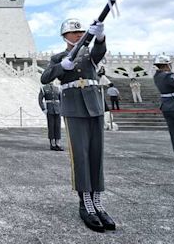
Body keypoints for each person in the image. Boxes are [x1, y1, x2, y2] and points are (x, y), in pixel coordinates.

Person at [41, 18, 115, 233]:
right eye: (73, 33)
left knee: (96, 154)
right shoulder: (58, 57)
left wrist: (100, 37)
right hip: (73, 108)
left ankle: (98, 201)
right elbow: (45, 78)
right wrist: (60, 67)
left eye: (81, 32)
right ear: (64, 36)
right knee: (80, 155)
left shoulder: (89, 54)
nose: (77, 35)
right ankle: (86, 203)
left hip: (95, 107)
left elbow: (100, 52)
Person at [38, 82, 63, 151]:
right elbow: (40, 100)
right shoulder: (44, 88)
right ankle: (52, 144)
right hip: (50, 110)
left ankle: (58, 143)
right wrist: (43, 109)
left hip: (57, 110)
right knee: (51, 126)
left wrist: (61, 108)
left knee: (58, 126)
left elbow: (61, 99)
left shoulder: (57, 88)